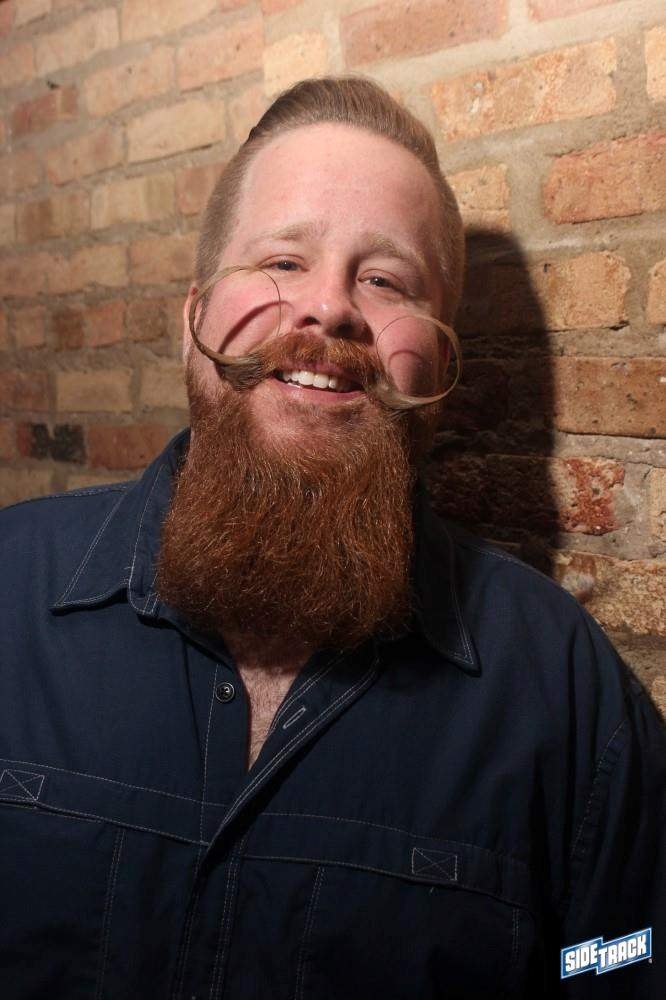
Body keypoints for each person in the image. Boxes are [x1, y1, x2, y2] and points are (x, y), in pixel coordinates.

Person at [0, 77, 663, 1000]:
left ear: (440, 358)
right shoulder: (9, 595)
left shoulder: (566, 694)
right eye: (282, 260)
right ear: (192, 320)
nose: (330, 308)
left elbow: (622, 962)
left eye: (385, 280)